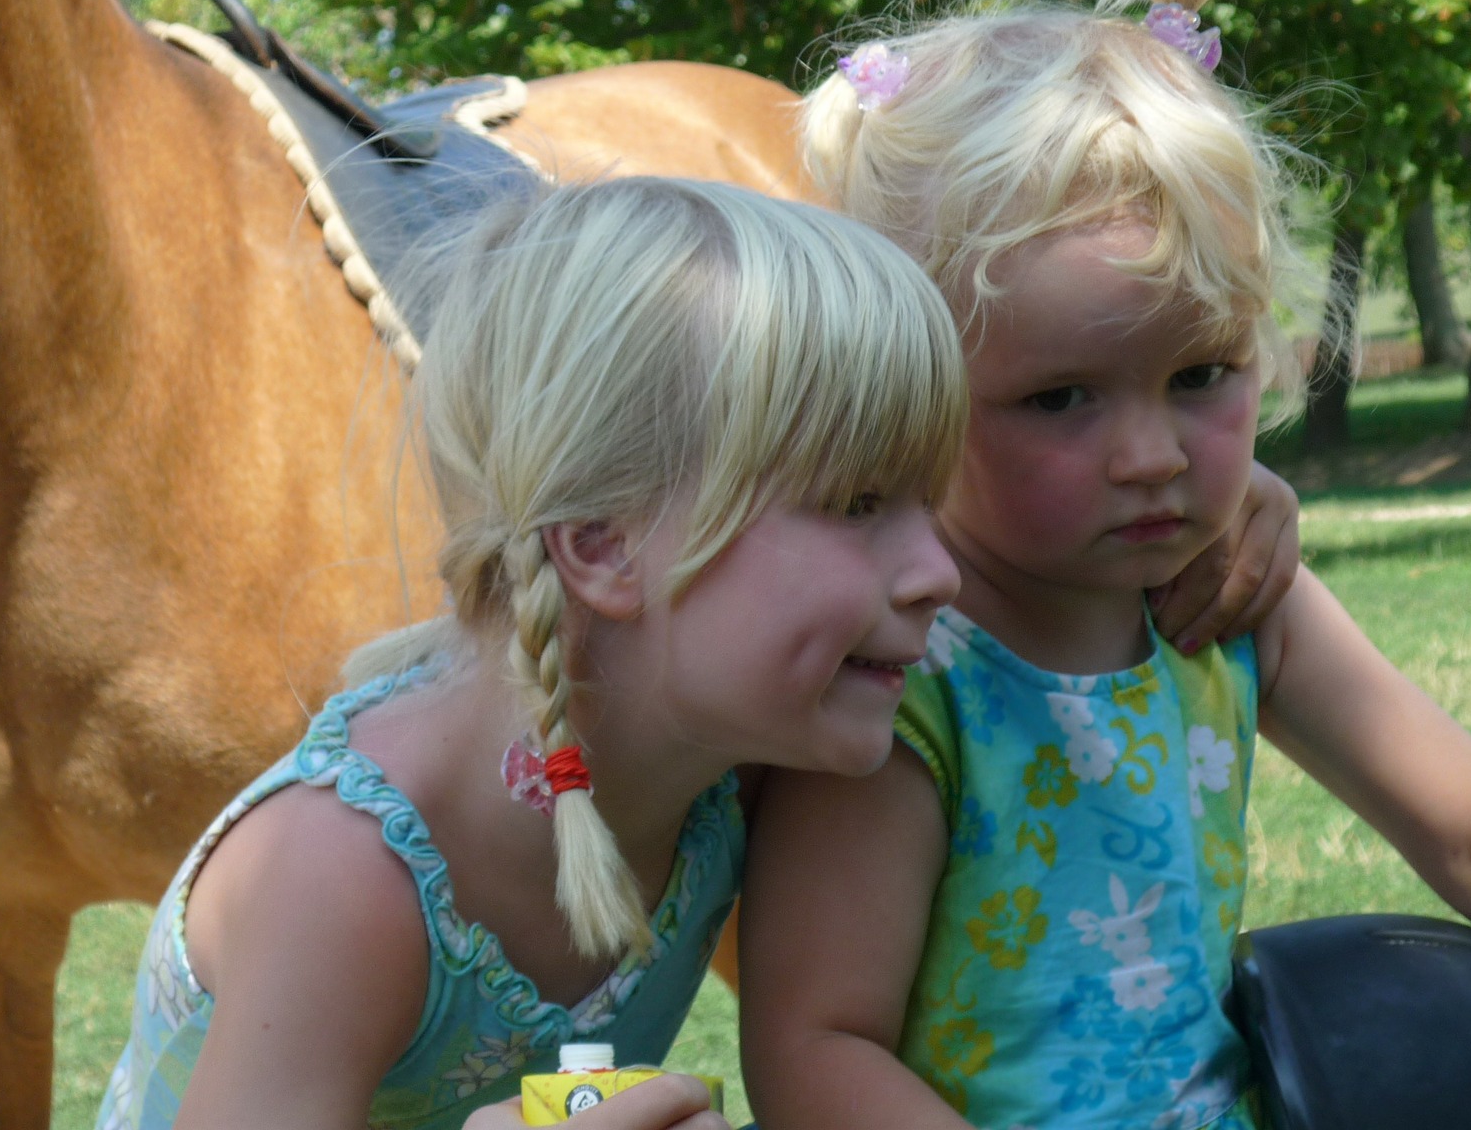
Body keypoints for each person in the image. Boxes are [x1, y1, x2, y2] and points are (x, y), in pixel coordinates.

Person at [738, 0, 1471, 1130]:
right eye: (1060, 398)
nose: (1149, 456)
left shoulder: (1239, 601)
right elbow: (817, 1051)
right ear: (910, 392)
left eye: (1201, 376)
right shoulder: (909, 675)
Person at [98, 175, 971, 1130]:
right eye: (856, 504)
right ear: (603, 546)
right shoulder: (341, 881)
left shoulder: (741, 772)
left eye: (931, 501)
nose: (940, 571)